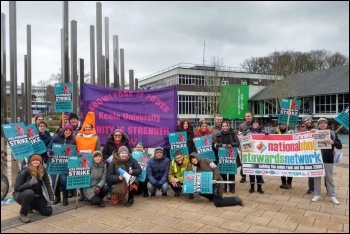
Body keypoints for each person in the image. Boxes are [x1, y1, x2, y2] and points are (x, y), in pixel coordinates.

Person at [13, 153, 54, 223]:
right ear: (30, 162)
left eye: (37, 160)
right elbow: (16, 188)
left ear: (41, 162)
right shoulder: (25, 172)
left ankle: (30, 205)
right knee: (29, 192)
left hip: (37, 195)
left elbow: (47, 185)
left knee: (48, 211)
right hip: (21, 195)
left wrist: (51, 198)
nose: (35, 161)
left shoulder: (43, 171)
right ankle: (23, 214)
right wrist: (29, 183)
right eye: (33, 160)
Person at [311, 118, 342, 205]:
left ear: (327, 124)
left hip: (328, 159)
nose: (322, 124)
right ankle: (317, 194)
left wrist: (333, 142)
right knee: (316, 177)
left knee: (329, 178)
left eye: (324, 123)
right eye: (320, 123)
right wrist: (311, 132)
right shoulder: (314, 133)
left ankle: (332, 195)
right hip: (316, 159)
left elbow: (340, 146)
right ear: (318, 125)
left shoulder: (332, 133)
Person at [47, 124, 76, 206]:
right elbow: (49, 147)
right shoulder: (56, 137)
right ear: (63, 130)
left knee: (64, 180)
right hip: (54, 163)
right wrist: (49, 152)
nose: (68, 132)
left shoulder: (72, 140)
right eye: (66, 130)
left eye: (70, 131)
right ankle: (57, 197)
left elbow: (74, 151)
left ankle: (65, 197)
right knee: (53, 181)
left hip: (65, 164)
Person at [76, 111, 101, 201]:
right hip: (81, 159)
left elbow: (98, 150)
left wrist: (96, 157)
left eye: (89, 127)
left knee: (89, 177)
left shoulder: (95, 137)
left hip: (92, 160)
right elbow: (75, 148)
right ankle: (82, 194)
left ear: (91, 128)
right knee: (82, 176)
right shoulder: (78, 136)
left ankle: (89, 193)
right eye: (86, 127)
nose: (87, 129)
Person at [212, 121, 240, 193]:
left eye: (226, 126)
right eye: (223, 126)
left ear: (228, 126)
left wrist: (231, 144)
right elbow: (215, 144)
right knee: (223, 172)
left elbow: (237, 143)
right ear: (221, 127)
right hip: (222, 156)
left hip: (231, 155)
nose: (224, 127)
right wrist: (221, 144)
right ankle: (224, 187)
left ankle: (232, 188)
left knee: (231, 172)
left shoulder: (233, 133)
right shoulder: (218, 134)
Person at [244, 118, 268, 194]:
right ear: (251, 125)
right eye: (254, 123)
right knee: (252, 171)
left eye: (257, 123)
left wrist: (267, 135)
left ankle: (259, 187)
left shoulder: (262, 132)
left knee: (259, 171)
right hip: (251, 155)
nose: (255, 125)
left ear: (259, 125)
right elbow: (244, 143)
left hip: (260, 155)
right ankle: (252, 187)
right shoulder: (248, 133)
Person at [301, 115, 316, 194]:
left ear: (311, 120)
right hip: (309, 154)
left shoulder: (318, 127)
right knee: (311, 172)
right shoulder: (303, 131)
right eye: (305, 121)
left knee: (324, 173)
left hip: (319, 153)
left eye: (308, 120)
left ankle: (328, 188)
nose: (307, 122)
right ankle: (311, 187)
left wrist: (316, 131)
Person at [275, 123, 293, 189]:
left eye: (284, 124)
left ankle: (289, 183)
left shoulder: (290, 131)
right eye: (281, 124)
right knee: (282, 168)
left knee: (289, 168)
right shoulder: (277, 132)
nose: (282, 126)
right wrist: (276, 133)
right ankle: (283, 182)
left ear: (286, 125)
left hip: (289, 153)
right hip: (281, 153)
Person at [238, 111, 253, 183]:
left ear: (251, 117)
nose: (247, 117)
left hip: (254, 147)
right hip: (244, 146)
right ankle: (243, 176)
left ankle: (260, 177)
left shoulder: (256, 124)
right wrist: (239, 146)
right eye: (246, 116)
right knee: (244, 161)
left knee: (255, 161)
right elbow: (239, 136)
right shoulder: (241, 125)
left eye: (249, 116)